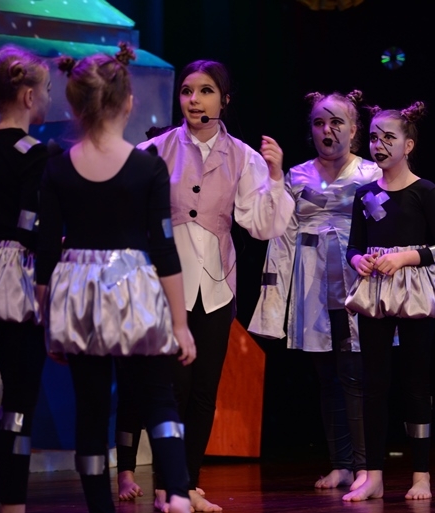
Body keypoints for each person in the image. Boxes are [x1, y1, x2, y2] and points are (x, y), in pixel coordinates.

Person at [35, 45, 195, 513]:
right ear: (128, 102)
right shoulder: (148, 166)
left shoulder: (57, 167)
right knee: (158, 394)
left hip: (80, 294)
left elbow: (46, 252)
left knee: (90, 410)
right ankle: (178, 494)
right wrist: (180, 324)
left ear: (75, 105)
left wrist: (49, 320)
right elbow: (163, 248)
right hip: (133, 289)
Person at [136, 59, 295, 512]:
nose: (193, 100)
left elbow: (262, 225)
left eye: (205, 91)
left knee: (205, 389)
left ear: (224, 99)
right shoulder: (155, 150)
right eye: (187, 91)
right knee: (174, 388)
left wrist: (276, 176)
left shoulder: (243, 156)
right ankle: (168, 484)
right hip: (168, 283)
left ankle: (187, 483)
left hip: (217, 285)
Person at [249, 90, 379, 490]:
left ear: (354, 129)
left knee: (355, 375)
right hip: (313, 285)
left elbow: (386, 228)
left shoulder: (370, 174)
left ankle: (365, 465)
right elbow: (282, 238)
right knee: (327, 377)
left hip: (357, 281)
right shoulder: (298, 175)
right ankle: (341, 463)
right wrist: (274, 303)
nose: (327, 130)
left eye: (337, 122)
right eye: (319, 122)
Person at [341, 101, 435, 502]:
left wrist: (407, 257)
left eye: (389, 137)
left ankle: (421, 474)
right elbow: (353, 245)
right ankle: (373, 474)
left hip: (414, 290)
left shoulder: (425, 191)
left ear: (408, 145)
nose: (379, 144)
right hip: (376, 289)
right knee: (374, 382)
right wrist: (358, 260)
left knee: (415, 381)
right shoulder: (365, 194)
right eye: (374, 137)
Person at [0, 44, 52, 513]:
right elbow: (34, 223)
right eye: (46, 90)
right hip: (21, 275)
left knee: (15, 395)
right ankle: (12, 501)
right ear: (28, 96)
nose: (48, 98)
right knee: (22, 396)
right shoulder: (34, 153)